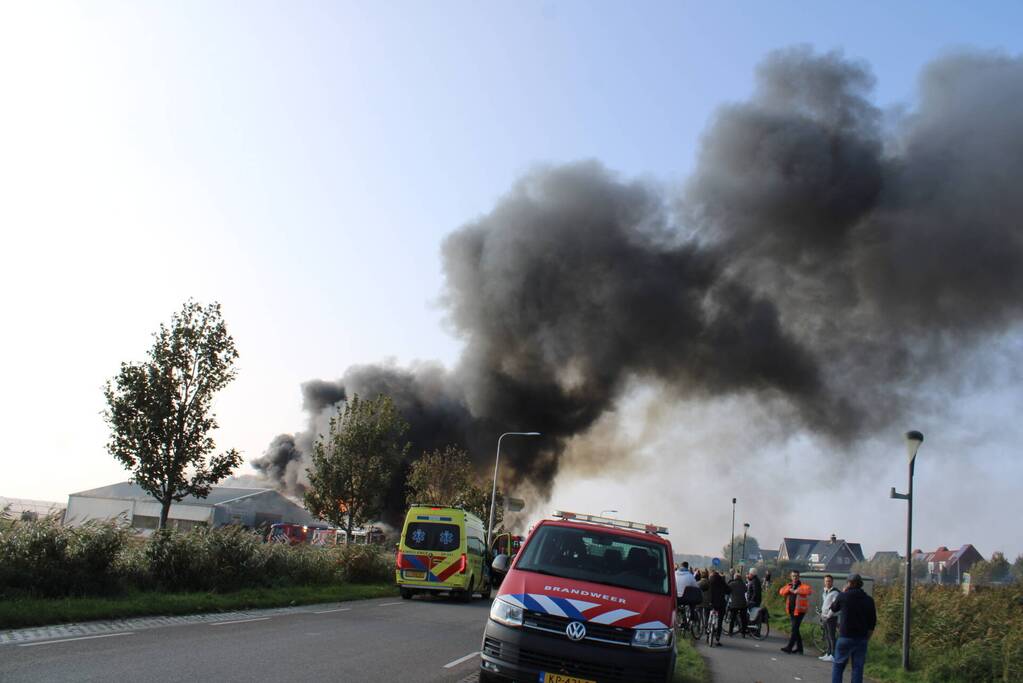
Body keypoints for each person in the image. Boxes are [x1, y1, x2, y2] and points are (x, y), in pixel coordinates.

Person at [829, 574, 876, 683]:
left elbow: (833, 608)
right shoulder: (869, 600)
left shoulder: (844, 596)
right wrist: (867, 637)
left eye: (848, 582)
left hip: (845, 636)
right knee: (857, 668)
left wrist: (843, 593)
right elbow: (872, 621)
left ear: (851, 583)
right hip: (861, 638)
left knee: (838, 666)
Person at [779, 569, 813, 654]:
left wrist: (797, 591)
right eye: (793, 576)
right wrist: (789, 590)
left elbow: (809, 591)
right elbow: (781, 592)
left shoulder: (802, 586)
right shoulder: (789, 585)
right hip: (791, 610)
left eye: (796, 576)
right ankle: (800, 648)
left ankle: (789, 647)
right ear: (791, 577)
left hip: (800, 611)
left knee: (794, 629)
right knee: (796, 629)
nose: (795, 578)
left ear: (799, 577)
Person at [819, 574, 840, 662]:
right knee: (827, 635)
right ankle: (828, 653)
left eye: (829, 581)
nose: (827, 582)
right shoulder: (825, 591)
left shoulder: (835, 592)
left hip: (831, 617)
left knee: (831, 636)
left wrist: (829, 615)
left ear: (832, 582)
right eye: (826, 581)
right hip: (824, 616)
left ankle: (833, 654)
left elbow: (835, 605)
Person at [706, 569, 729, 646]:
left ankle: (707, 632)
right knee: (720, 621)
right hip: (721, 604)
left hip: (711, 603)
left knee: (708, 616)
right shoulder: (722, 582)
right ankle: (717, 638)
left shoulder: (709, 581)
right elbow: (729, 590)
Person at [726, 571, 749, 637]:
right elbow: (745, 590)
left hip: (734, 604)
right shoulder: (743, 584)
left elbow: (727, 591)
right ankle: (743, 633)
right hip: (743, 603)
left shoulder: (732, 584)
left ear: (734, 577)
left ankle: (730, 632)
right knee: (743, 619)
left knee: (732, 619)